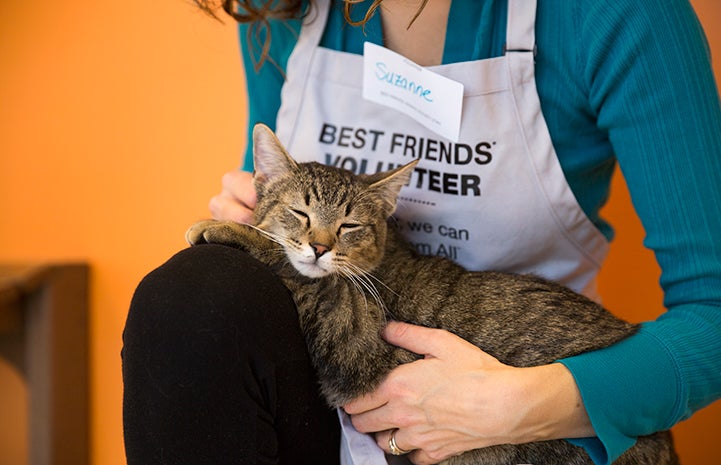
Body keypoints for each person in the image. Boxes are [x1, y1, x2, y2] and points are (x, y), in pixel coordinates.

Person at [122, 1, 721, 464]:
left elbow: (715, 314)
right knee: (191, 299)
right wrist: (249, 224)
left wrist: (522, 406)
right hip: (338, 392)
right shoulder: (281, 11)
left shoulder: (610, 16)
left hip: (523, 414)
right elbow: (276, 195)